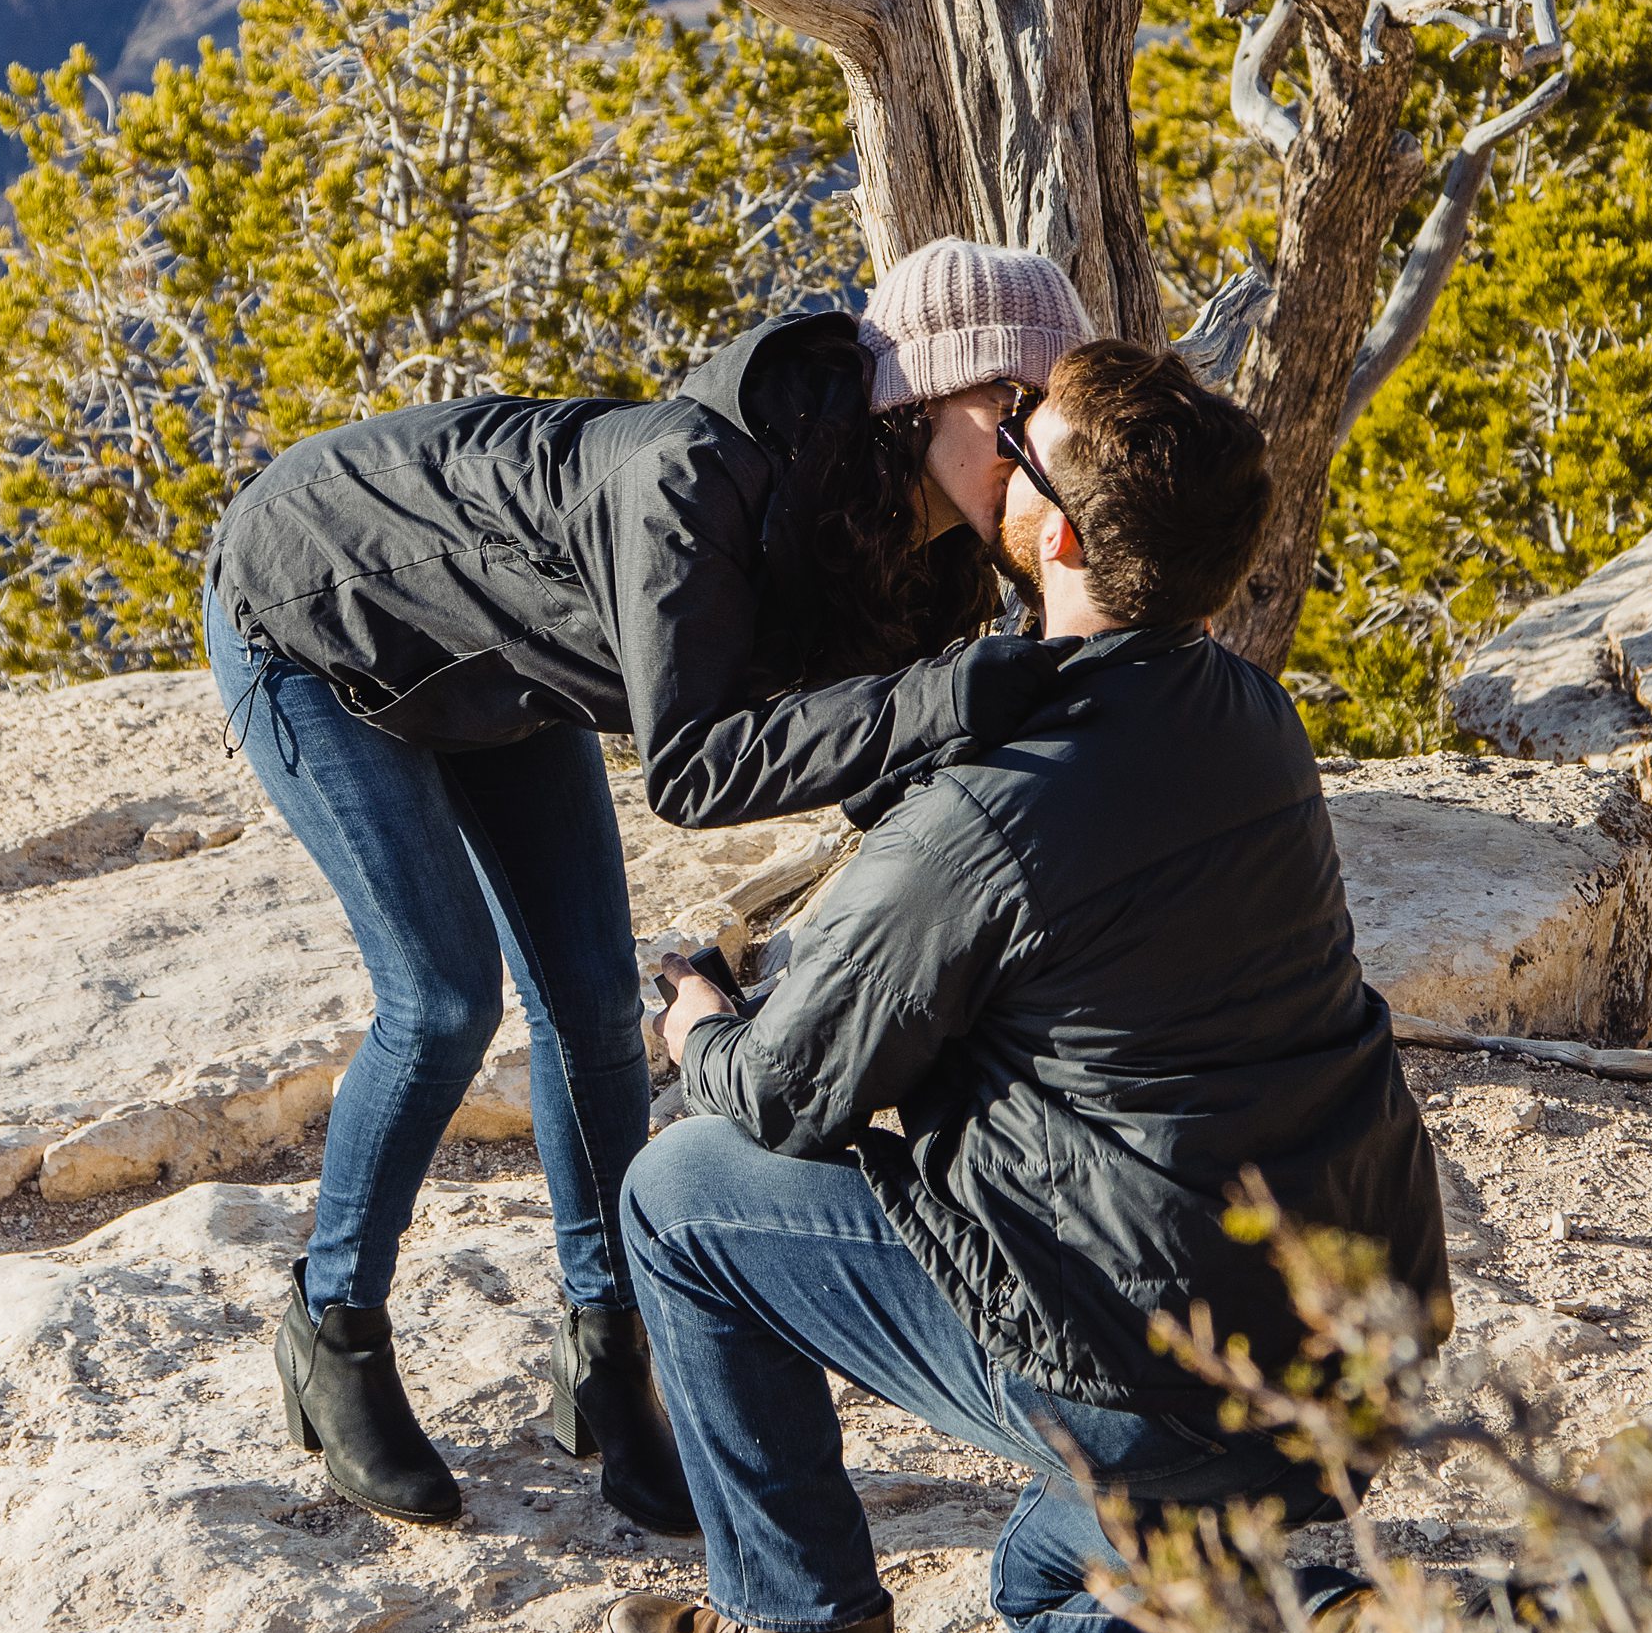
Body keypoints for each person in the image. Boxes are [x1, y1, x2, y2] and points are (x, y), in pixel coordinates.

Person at [602, 338, 1451, 1633]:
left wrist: (701, 1021)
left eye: (1021, 438)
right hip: (1352, 1339)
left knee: (681, 1194)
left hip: (1155, 1363)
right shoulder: (1248, 714)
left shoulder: (990, 813)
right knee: (1060, 1571)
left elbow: (788, 1096)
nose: (993, 441)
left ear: (1055, 533)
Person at [203, 239, 1091, 1538]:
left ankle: (612, 1369)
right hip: (317, 612)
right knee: (444, 998)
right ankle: (331, 1331)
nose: (1036, 459)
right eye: (1013, 419)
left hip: (511, 665)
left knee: (587, 1013)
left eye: (1050, 424)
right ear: (926, 400)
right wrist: (952, 699)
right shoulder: (696, 478)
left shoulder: (922, 532)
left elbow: (882, 755)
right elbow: (695, 763)